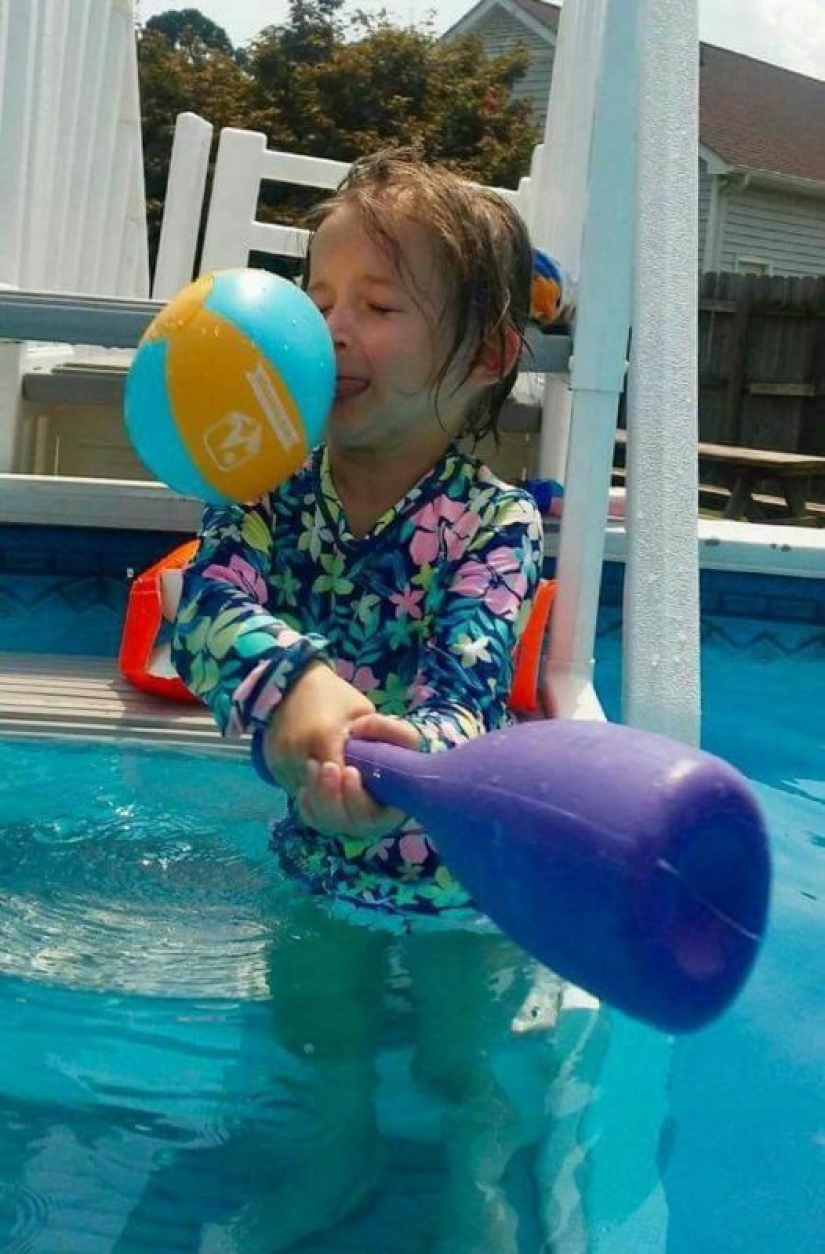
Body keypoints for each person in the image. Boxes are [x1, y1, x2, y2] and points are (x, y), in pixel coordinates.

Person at [172, 149, 547, 1253]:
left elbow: (468, 689)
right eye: (320, 300)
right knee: (318, 1031)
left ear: (485, 356)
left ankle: (477, 1161)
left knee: (459, 1056)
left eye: (378, 307)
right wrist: (294, 681)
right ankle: (339, 1153)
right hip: (319, 848)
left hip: (462, 869)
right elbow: (203, 605)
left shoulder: (498, 524)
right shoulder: (264, 488)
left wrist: (402, 755)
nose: (332, 330)